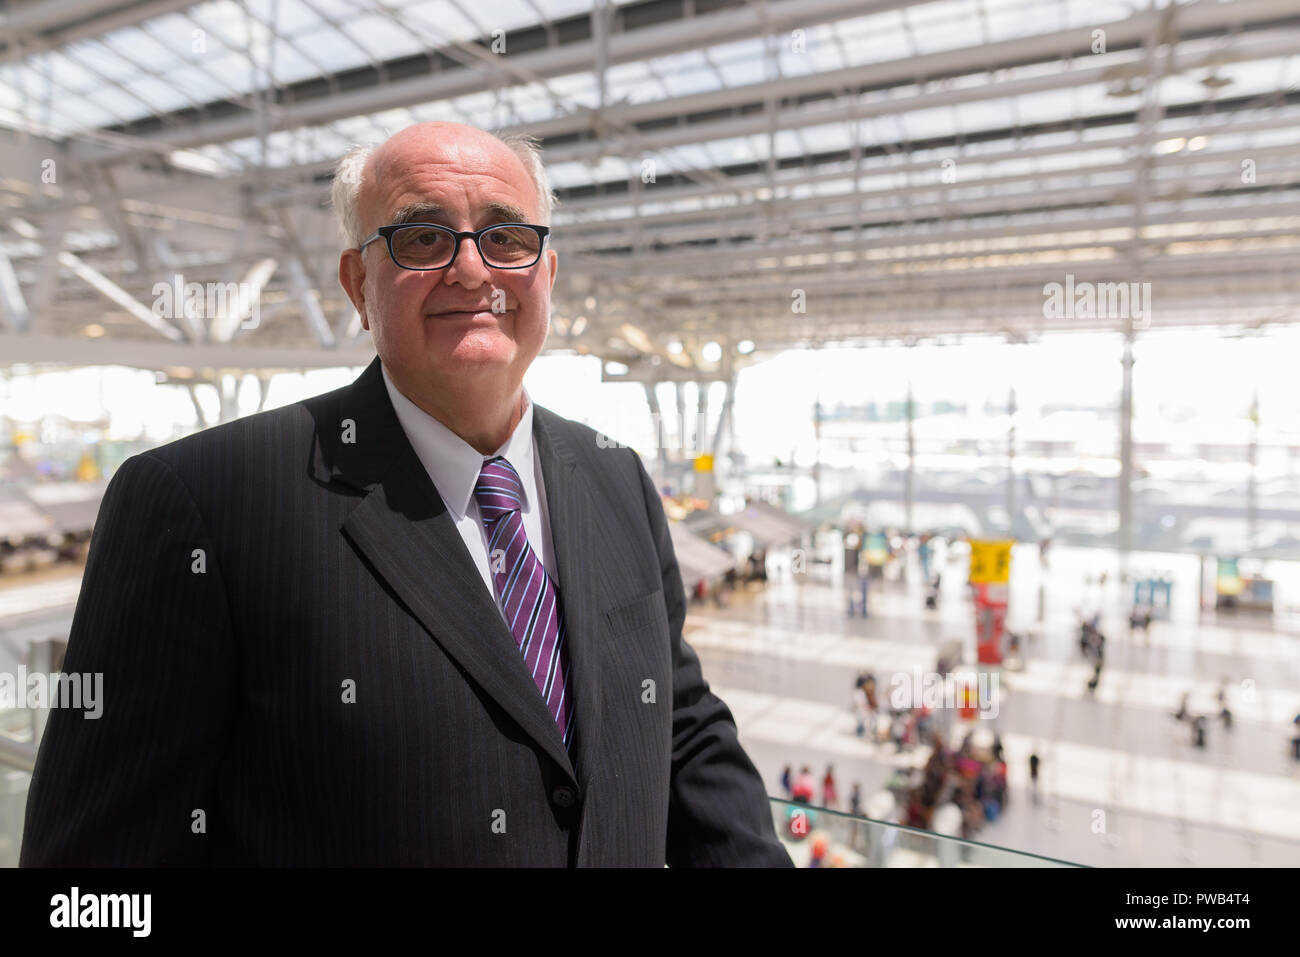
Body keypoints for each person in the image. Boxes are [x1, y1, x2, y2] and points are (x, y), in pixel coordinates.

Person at [20, 123, 791, 868]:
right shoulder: (201, 505)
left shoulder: (616, 477)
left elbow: (678, 726)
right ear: (358, 283)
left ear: (546, 273)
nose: (471, 270)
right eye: (423, 238)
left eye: (507, 236)